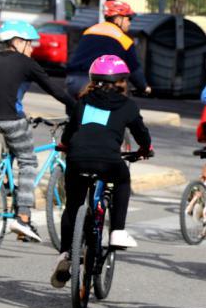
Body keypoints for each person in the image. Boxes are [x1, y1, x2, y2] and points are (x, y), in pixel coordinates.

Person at [51, 55, 152, 288]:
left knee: (73, 205)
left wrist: (65, 145)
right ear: (122, 81)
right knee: (123, 181)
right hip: (108, 161)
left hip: (77, 159)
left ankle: (65, 253)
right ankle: (117, 231)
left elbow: (70, 132)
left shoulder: (83, 102)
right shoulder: (127, 105)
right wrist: (145, 149)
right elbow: (141, 134)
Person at [0, 20, 75, 242]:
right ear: (17, 42)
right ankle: (23, 216)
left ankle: (8, 184)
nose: (32, 49)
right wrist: (77, 108)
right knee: (28, 162)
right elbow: (53, 88)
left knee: (13, 143)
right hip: (8, 116)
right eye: (30, 44)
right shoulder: (25, 63)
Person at [65, 0, 150, 98]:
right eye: (129, 19)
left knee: (75, 112)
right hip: (94, 85)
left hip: (72, 81)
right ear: (118, 19)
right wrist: (144, 87)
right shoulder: (124, 40)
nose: (130, 23)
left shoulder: (89, 31)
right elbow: (134, 70)